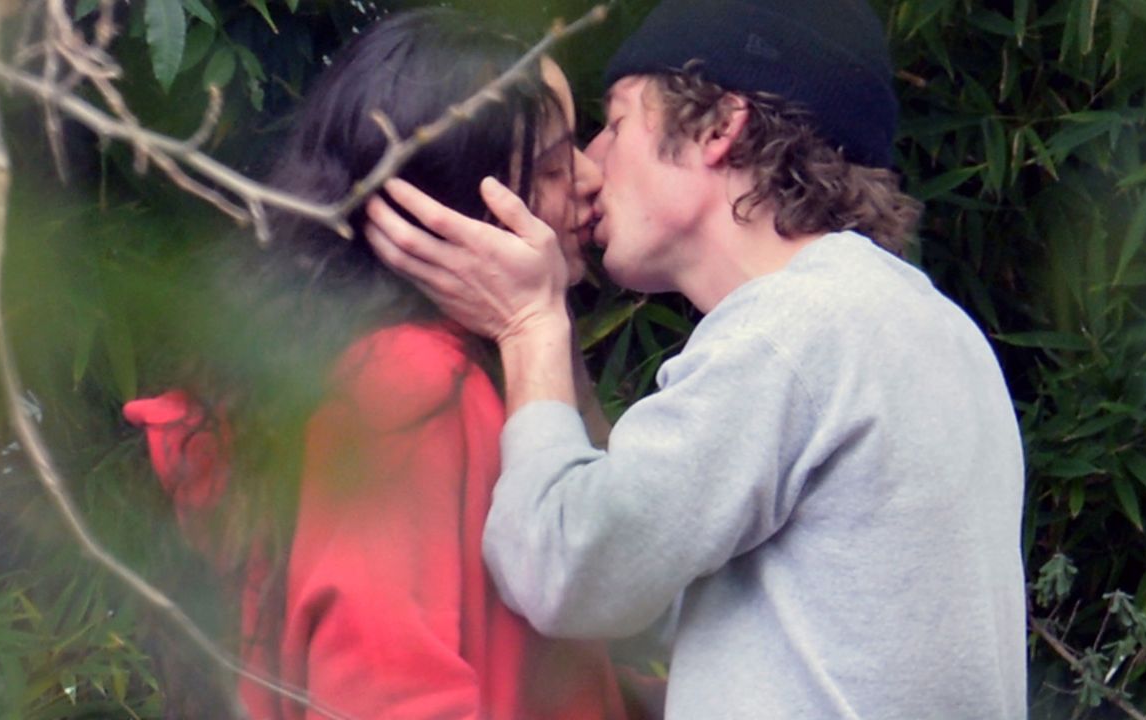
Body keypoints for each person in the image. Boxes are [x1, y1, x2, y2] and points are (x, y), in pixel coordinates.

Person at [363, 0, 1028, 718]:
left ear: (718, 128)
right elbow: (651, 586)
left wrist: (529, 326)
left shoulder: (793, 333)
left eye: (616, 124)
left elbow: (565, 570)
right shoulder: (921, 328)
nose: (589, 164)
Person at [124, 8, 636, 720]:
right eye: (552, 164)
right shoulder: (407, 383)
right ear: (452, 215)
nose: (588, 178)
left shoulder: (404, 367)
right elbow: (386, 696)